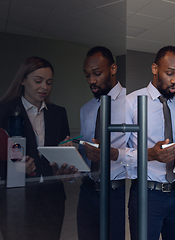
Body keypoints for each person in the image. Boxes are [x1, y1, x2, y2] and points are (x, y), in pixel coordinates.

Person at [0, 56, 76, 240]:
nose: (44, 87)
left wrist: (64, 167)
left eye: (49, 82)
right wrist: (14, 168)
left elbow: (57, 158)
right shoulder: (3, 111)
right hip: (16, 201)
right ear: (23, 80)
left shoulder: (58, 113)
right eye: (38, 81)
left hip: (52, 202)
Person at [126, 46, 175, 240]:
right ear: (155, 68)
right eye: (170, 73)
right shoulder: (131, 103)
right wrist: (150, 154)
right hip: (146, 196)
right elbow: (115, 153)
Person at [63, 46, 126, 240]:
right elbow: (85, 153)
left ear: (113, 68)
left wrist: (113, 153)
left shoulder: (132, 103)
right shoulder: (86, 109)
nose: (91, 81)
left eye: (97, 74)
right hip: (87, 192)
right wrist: (71, 158)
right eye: (87, 75)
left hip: (117, 193)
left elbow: (141, 152)